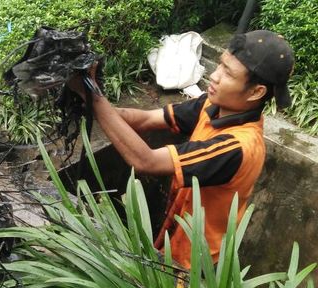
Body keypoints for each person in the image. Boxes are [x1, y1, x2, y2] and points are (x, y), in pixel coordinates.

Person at [68, 30, 294, 269]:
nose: (214, 77)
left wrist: (93, 96)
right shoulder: (213, 104)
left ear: (256, 92)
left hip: (192, 265)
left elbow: (147, 162)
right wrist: (90, 99)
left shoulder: (237, 146)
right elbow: (145, 120)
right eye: (220, 65)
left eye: (228, 73)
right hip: (173, 235)